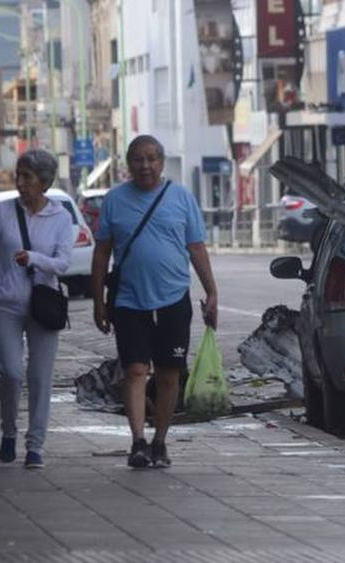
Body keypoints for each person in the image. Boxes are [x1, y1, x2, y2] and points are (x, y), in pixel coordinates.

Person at [91, 135, 218, 469]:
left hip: (174, 299)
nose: (145, 166)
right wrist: (98, 302)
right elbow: (102, 251)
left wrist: (212, 292)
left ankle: (160, 441)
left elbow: (196, 248)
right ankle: (137, 442)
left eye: (151, 159)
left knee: (168, 375)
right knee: (135, 369)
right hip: (129, 302)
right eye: (138, 159)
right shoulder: (114, 200)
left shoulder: (181, 198)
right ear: (128, 164)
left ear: (161, 163)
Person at [0, 149, 75, 470]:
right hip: (4, 304)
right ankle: (9, 432)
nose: (21, 183)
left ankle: (35, 445)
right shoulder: (3, 214)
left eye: (28, 177)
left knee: (40, 377)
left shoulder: (61, 217)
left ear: (44, 182)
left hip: (44, 306)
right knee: (10, 373)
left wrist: (35, 259)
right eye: (19, 176)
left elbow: (63, 262)